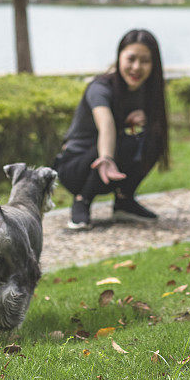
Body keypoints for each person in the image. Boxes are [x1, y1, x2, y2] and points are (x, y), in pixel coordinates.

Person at [54, 29, 169, 230]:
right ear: (119, 57)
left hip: (111, 170)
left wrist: (145, 119)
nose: (136, 67)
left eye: (145, 61)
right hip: (75, 166)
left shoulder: (147, 91)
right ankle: (82, 201)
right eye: (131, 59)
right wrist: (106, 157)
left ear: (154, 64)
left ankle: (124, 201)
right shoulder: (100, 88)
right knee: (121, 139)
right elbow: (106, 124)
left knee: (154, 135)